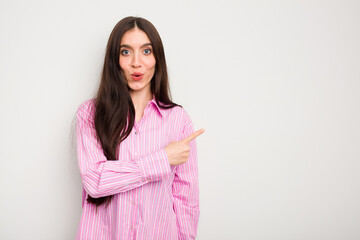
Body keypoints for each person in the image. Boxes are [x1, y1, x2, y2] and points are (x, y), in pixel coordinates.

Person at [75, 16, 204, 240]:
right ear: (115, 60)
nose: (137, 62)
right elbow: (95, 181)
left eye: (146, 51)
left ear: (157, 58)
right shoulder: (90, 114)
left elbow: (186, 202)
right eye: (126, 52)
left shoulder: (178, 120)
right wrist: (162, 159)